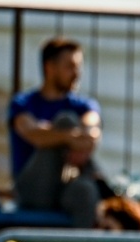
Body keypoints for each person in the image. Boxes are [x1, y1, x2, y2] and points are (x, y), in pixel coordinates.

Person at [9, 38, 102, 226]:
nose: (76, 74)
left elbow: (91, 134)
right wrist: (69, 138)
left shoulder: (84, 105)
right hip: (34, 189)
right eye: (70, 67)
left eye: (78, 67)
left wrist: (59, 136)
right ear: (49, 68)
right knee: (65, 120)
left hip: (67, 186)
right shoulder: (23, 103)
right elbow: (34, 134)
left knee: (86, 190)